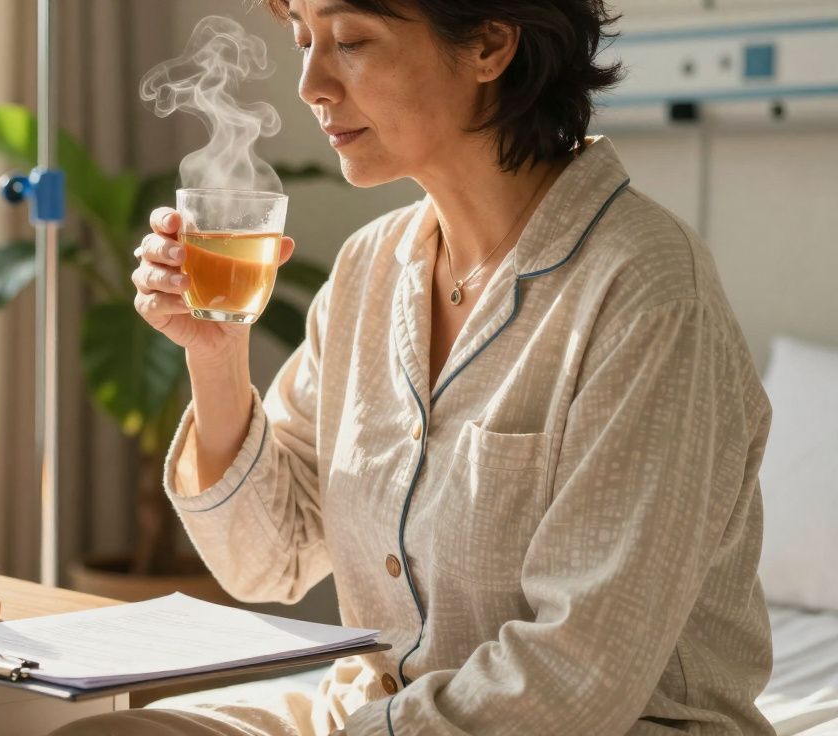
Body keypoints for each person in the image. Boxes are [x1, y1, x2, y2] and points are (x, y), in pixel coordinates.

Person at [52, 0, 773, 733]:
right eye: (304, 39)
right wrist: (214, 352)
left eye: (352, 41)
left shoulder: (645, 292)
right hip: (370, 713)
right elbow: (270, 560)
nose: (310, 83)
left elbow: (575, 679)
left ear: (490, 44)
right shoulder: (371, 268)